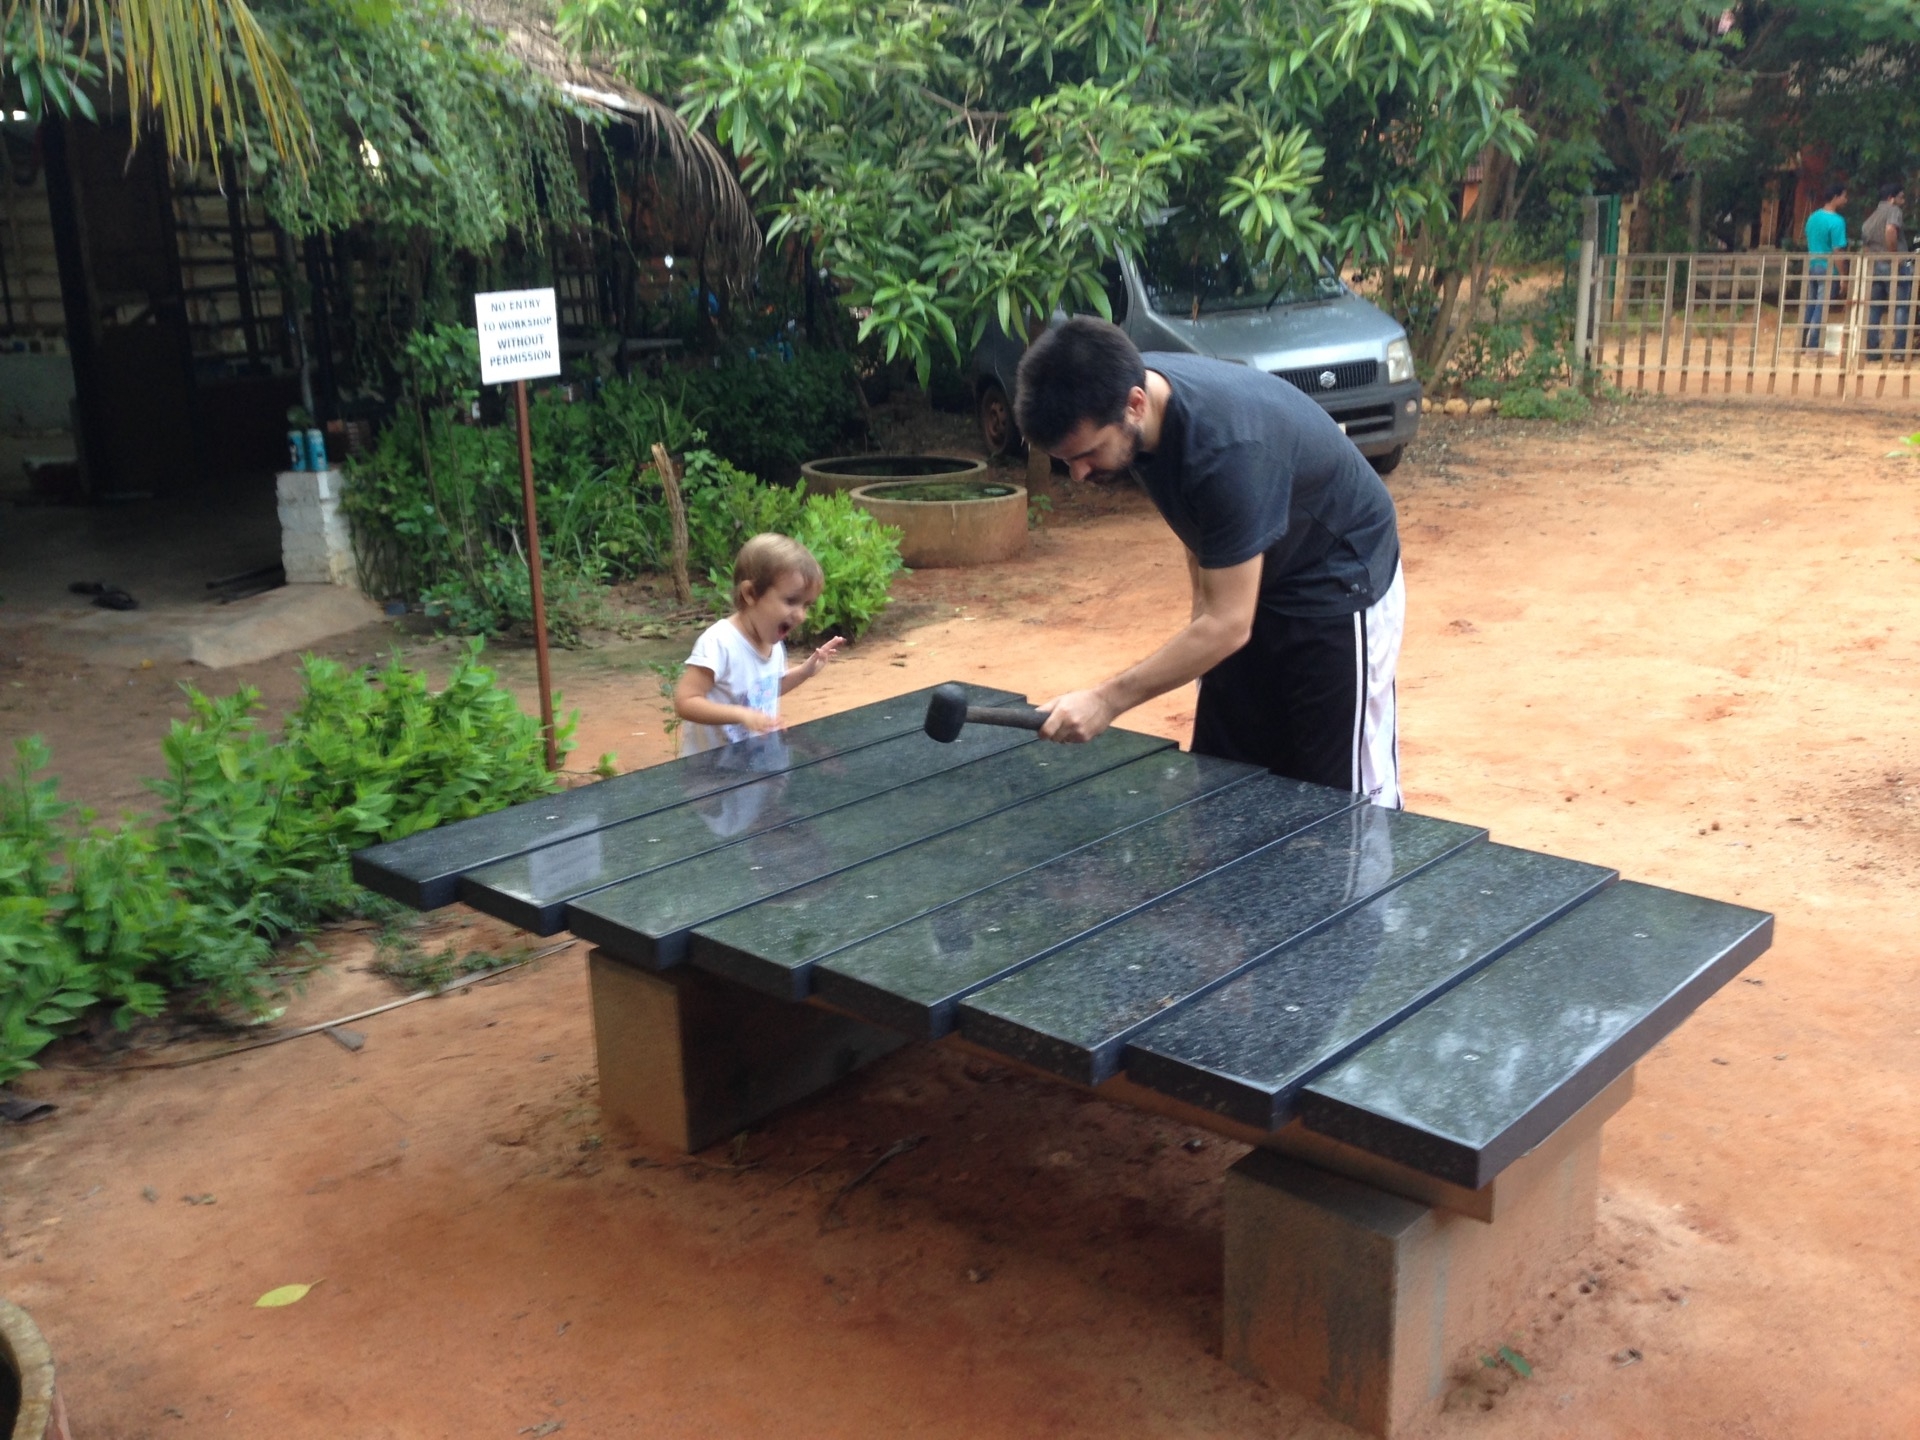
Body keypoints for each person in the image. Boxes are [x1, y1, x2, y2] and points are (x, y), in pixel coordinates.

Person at [1013, 316, 1405, 808]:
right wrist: (1203, 613)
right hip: (1258, 566)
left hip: (1337, 579)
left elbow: (1229, 625)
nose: (1078, 474)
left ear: (1135, 404)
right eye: (1067, 460)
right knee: (1225, 774)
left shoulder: (1226, 450)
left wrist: (1104, 701)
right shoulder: (1128, 396)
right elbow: (1202, 526)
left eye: (1087, 454)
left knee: (1336, 802)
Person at [673, 532, 845, 755]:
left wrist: (805, 672)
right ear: (750, 593)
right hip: (713, 770)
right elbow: (686, 701)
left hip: (755, 764)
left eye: (806, 605)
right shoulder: (719, 643)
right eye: (791, 601)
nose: (801, 615)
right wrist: (741, 715)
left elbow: (766, 691)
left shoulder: (773, 644)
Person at [1861, 181, 1909, 361]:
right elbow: (1890, 229)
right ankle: (1899, 350)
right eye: (1901, 197)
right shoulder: (1894, 210)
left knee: (1874, 307)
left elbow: (1865, 244)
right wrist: (1894, 256)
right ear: (1891, 198)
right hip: (1892, 265)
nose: (1903, 201)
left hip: (1875, 265)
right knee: (1901, 306)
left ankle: (1872, 350)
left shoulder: (1871, 217)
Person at [1803, 183, 1849, 350]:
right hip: (1828, 268)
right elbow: (1837, 251)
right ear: (1836, 197)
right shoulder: (1837, 221)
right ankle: (1813, 343)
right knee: (1822, 306)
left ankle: (1802, 340)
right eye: (1844, 196)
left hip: (1813, 264)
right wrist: (1843, 276)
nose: (1846, 200)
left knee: (1811, 304)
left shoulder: (1812, 217)